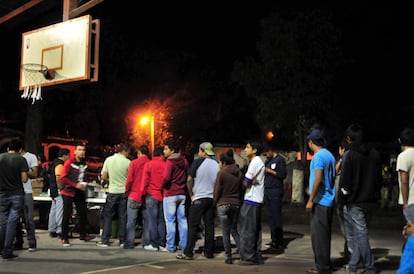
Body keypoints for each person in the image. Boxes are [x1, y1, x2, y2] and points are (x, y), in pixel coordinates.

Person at [339, 123, 381, 274]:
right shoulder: (375, 154)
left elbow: (345, 182)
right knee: (360, 234)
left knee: (360, 235)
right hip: (371, 201)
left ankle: (370, 267)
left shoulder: (350, 155)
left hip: (355, 202)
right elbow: (378, 178)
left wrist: (343, 199)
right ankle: (353, 266)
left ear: (349, 139)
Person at [176, 142, 219, 260]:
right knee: (209, 225)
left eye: (200, 151)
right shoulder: (216, 164)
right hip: (211, 198)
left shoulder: (197, 162)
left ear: (203, 151)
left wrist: (191, 195)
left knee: (193, 226)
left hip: (199, 197)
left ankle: (188, 252)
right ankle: (209, 252)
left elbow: (189, 179)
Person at [305, 129, 336, 274]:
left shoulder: (318, 157)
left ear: (311, 142)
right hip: (329, 199)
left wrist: (310, 199)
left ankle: (322, 268)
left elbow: (318, 177)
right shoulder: (330, 155)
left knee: (318, 237)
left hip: (320, 201)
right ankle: (325, 265)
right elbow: (331, 176)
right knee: (324, 235)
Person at [96, 143, 131, 247]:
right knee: (123, 216)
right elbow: (130, 178)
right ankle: (123, 240)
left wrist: (110, 180)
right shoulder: (128, 162)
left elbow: (104, 175)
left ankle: (105, 240)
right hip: (124, 192)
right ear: (126, 151)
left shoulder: (109, 160)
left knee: (108, 216)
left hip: (112, 191)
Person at [60, 143, 94, 247]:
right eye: (79, 150)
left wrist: (86, 183)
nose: (82, 152)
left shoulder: (85, 163)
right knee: (67, 214)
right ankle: (64, 237)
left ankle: (83, 234)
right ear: (75, 152)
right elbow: (63, 178)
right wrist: (75, 185)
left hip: (80, 192)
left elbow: (83, 176)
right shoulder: (69, 163)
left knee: (82, 213)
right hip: (68, 192)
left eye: (83, 150)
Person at [0, 139, 29, 260]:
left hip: (2, 194)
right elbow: (24, 179)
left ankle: (0, 248)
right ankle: (7, 251)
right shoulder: (21, 159)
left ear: (8, 148)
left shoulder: (0, 157)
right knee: (12, 223)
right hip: (17, 194)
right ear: (20, 150)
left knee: (2, 222)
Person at [213, 149, 244, 264]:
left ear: (223, 162)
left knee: (225, 232)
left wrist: (215, 202)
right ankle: (242, 253)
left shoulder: (221, 173)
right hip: (235, 204)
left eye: (219, 162)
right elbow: (242, 190)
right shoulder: (239, 173)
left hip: (223, 204)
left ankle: (228, 257)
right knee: (234, 230)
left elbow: (217, 190)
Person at [238, 141, 265, 265]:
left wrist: (247, 181)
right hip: (256, 199)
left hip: (251, 199)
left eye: (248, 147)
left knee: (248, 229)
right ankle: (255, 254)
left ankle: (248, 257)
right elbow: (250, 181)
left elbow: (245, 182)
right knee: (254, 229)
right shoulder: (258, 161)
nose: (245, 149)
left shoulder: (255, 162)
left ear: (254, 150)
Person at [162, 138, 189, 253]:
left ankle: (170, 246)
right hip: (182, 194)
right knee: (182, 220)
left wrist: (163, 186)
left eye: (166, 149)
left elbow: (166, 178)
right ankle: (184, 245)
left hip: (170, 194)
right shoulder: (184, 160)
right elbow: (188, 175)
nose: (164, 151)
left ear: (172, 150)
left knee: (170, 221)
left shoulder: (169, 162)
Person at [124, 145, 150, 249]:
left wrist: (127, 191)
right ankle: (146, 242)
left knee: (131, 220)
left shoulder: (134, 163)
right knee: (147, 220)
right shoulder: (150, 163)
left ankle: (130, 242)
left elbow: (129, 179)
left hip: (134, 194)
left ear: (139, 152)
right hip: (147, 195)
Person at [141, 146, 167, 251]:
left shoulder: (148, 165)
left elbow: (144, 181)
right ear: (161, 154)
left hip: (151, 195)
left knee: (152, 220)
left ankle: (154, 244)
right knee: (161, 220)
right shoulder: (166, 165)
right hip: (162, 195)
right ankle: (162, 243)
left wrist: (142, 194)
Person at [263, 142, 287, 252]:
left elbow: (282, 175)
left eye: (267, 153)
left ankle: (279, 241)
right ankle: (273, 239)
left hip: (275, 191)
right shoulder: (269, 161)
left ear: (271, 151)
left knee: (276, 216)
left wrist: (270, 171)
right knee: (270, 216)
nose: (266, 155)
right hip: (267, 190)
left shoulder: (280, 160)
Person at [14, 146, 38, 252]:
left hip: (26, 191)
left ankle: (32, 242)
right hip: (14, 191)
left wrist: (24, 171)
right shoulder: (13, 158)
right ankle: (18, 242)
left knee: (28, 218)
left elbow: (34, 173)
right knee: (15, 219)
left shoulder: (31, 157)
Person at [48, 148, 70, 239]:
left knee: (53, 210)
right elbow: (59, 177)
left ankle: (52, 229)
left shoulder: (54, 162)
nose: (69, 157)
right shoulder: (60, 164)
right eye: (68, 155)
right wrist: (61, 188)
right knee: (60, 211)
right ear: (64, 155)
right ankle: (60, 230)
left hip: (52, 189)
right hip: (58, 190)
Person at [334, 138, 351, 260]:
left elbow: (334, 172)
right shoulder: (345, 161)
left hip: (343, 200)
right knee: (347, 229)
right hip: (344, 200)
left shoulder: (346, 161)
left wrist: (341, 158)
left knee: (347, 230)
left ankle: (351, 255)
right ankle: (348, 253)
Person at [396, 128, 414, 225]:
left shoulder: (403, 156)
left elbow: (404, 181)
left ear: (400, 140)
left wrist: (405, 202)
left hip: (411, 202)